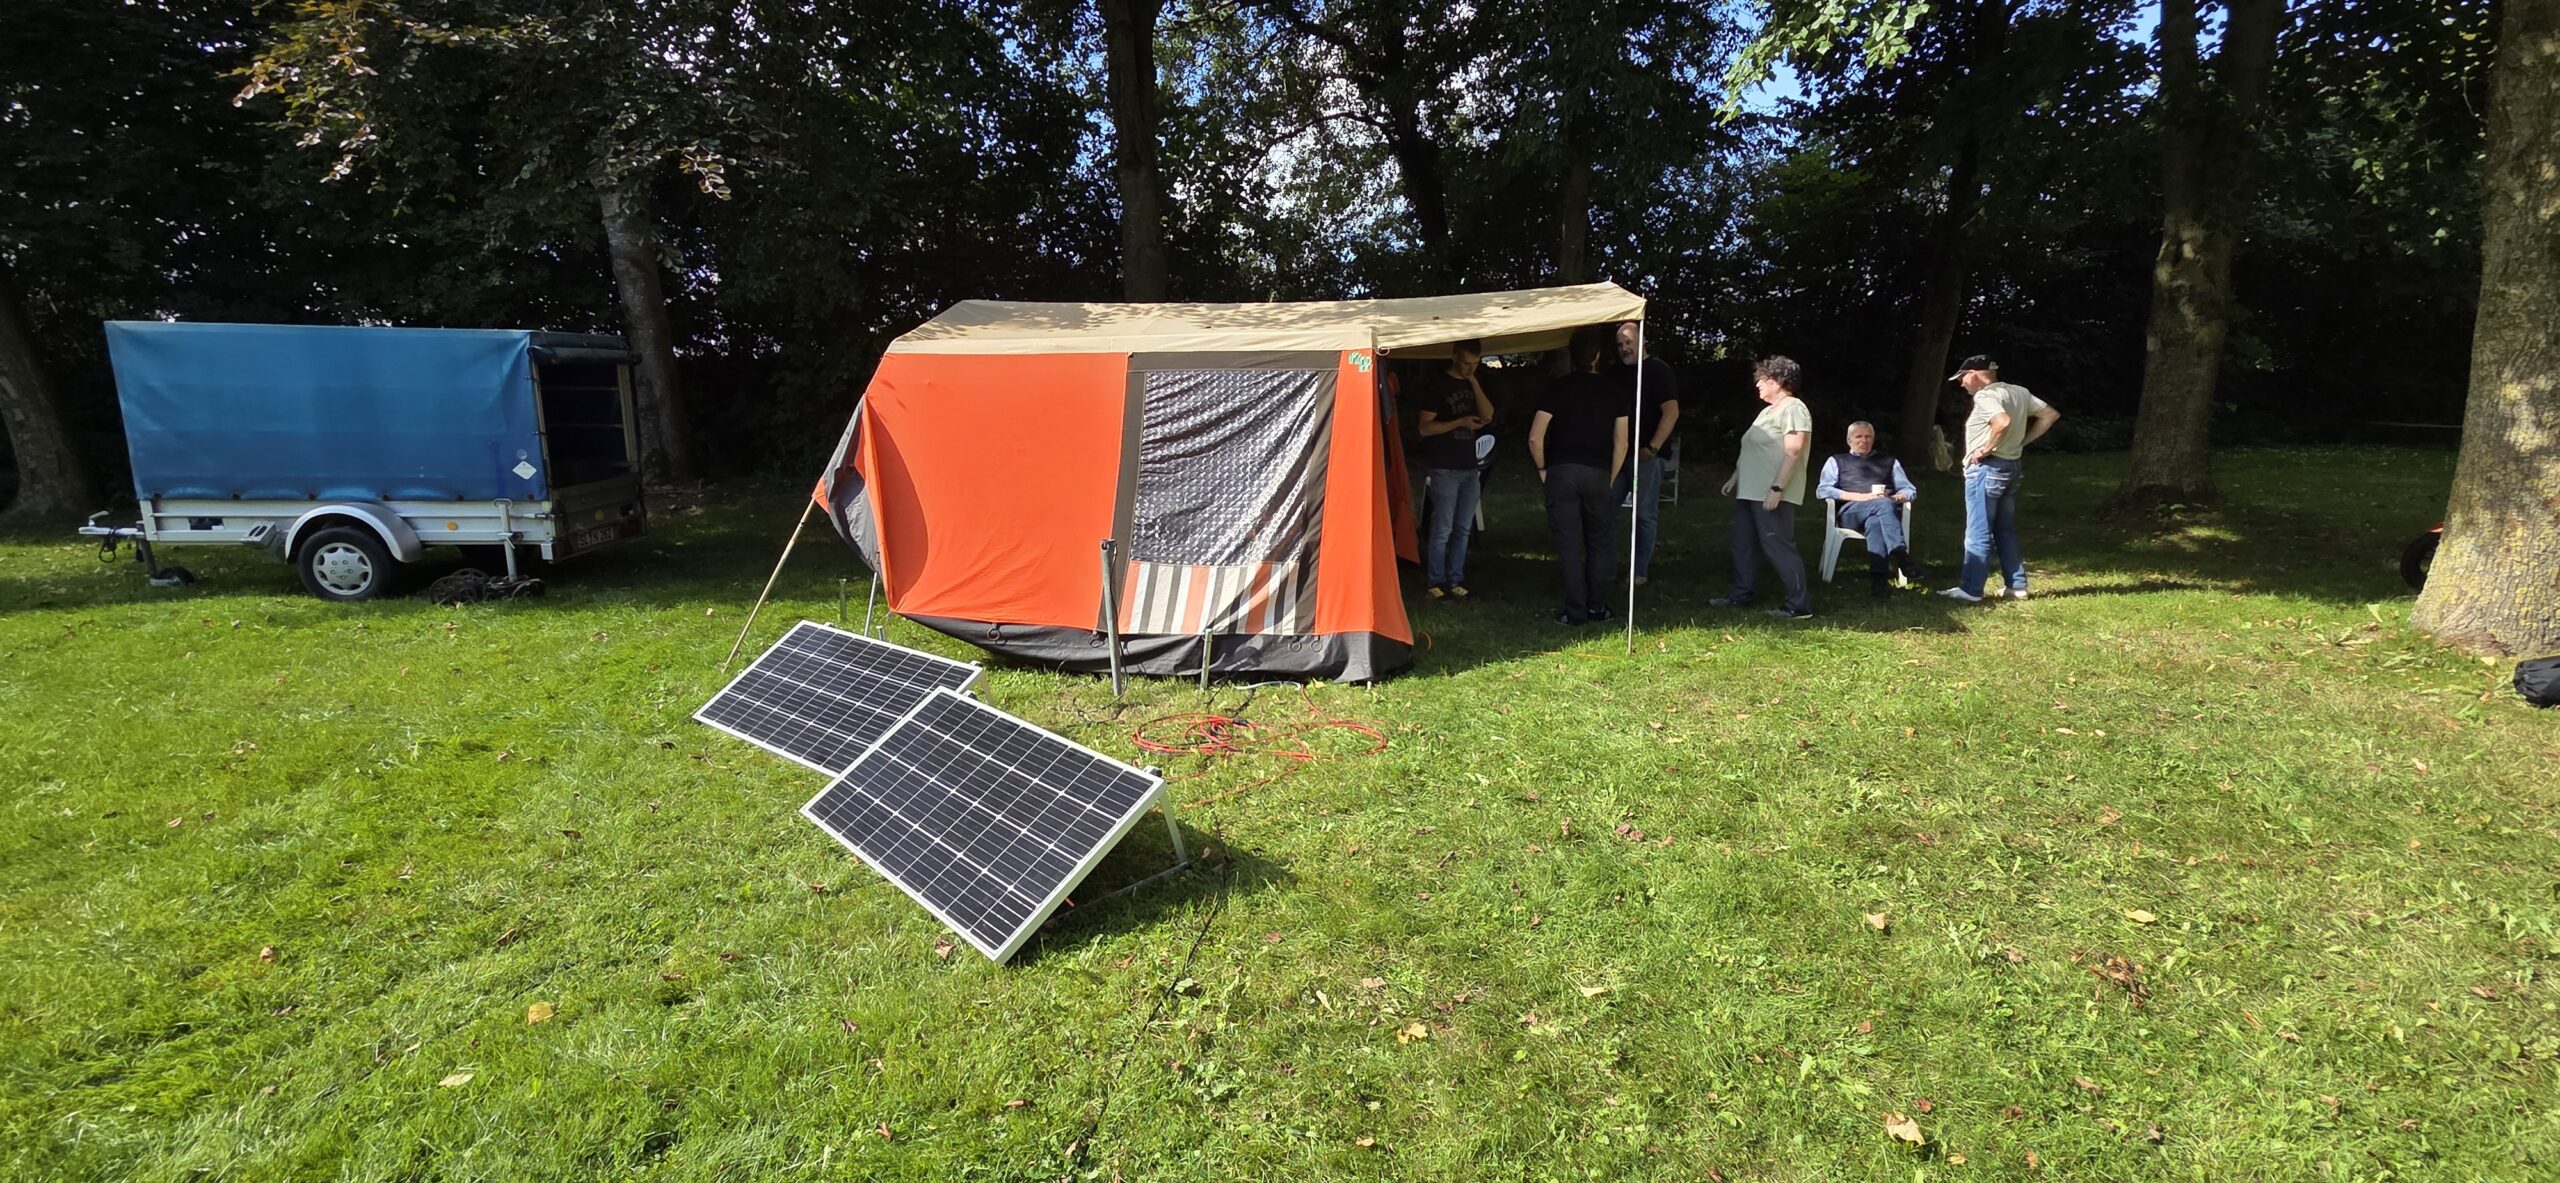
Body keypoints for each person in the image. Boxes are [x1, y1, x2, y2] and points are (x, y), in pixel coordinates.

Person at [1938, 354, 2060, 602]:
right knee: (2004, 529)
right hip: (2011, 467)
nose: (1961, 383)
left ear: (1974, 374)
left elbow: (2002, 421)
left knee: (1978, 530)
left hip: (1987, 470)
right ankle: (2017, 586)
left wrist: (1986, 449)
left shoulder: (1986, 396)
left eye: (1962, 378)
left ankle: (1971, 590)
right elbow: (2050, 414)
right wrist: (2022, 442)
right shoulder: (2019, 392)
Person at [1528, 325, 1629, 626]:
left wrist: (1542, 468)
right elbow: (1622, 443)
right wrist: (1611, 476)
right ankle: (1597, 607)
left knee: (1569, 545)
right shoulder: (1615, 391)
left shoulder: (1556, 388)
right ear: (1597, 356)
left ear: (1571, 356)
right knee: (1598, 541)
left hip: (1562, 472)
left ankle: (1575, 611)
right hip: (1598, 472)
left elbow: (1535, 437)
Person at [1711, 356, 1814, 619]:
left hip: (1771, 492)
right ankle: (1740, 595)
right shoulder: (1767, 412)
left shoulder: (1793, 408)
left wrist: (1777, 488)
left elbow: (1793, 450)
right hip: (1750, 490)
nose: (1757, 384)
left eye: (1763, 379)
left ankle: (1799, 605)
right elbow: (1754, 449)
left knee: (1778, 546)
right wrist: (1736, 476)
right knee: (1743, 544)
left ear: (1778, 381)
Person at [1414, 339, 1494, 599]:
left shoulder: (1472, 381)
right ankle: (1436, 582)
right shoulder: (1438, 385)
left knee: (1463, 528)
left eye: (1476, 364)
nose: (1471, 368)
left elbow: (1488, 414)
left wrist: (1473, 382)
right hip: (1444, 467)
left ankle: (1456, 579)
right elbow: (1424, 427)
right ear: (1455, 357)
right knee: (1443, 528)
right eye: (1467, 363)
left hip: (1469, 467)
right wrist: (1459, 422)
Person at [1816, 421, 1923, 599]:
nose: (1863, 440)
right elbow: (1823, 490)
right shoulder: (1837, 461)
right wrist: (1859, 496)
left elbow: (1909, 490)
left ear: (1873, 439)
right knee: (1881, 505)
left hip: (1883, 511)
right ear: (1849, 440)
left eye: (1868, 437)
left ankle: (1879, 582)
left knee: (1875, 521)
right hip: (1850, 512)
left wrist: (1895, 498)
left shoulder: (1889, 461)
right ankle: (1902, 556)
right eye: (1858, 436)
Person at [1610, 321, 1680, 586]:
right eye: (1620, 344)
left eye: (1629, 342)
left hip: (1646, 457)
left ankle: (1639, 571)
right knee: (1605, 509)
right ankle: (1605, 567)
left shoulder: (1659, 370)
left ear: (1643, 341)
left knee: (1643, 514)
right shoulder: (1614, 373)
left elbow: (1671, 411)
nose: (1624, 348)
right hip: (1618, 454)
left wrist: (1653, 447)